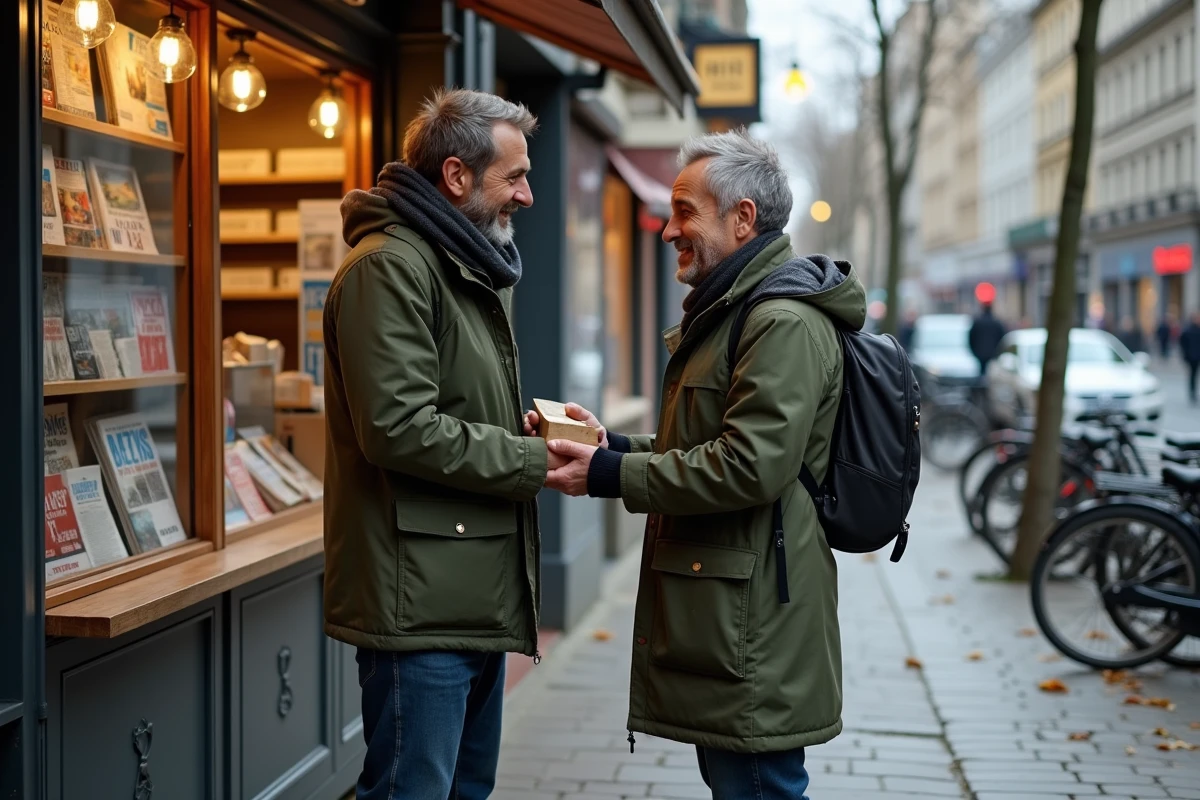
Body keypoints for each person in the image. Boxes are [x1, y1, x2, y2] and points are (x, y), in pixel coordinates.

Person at [528, 129, 853, 799]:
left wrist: (611, 476)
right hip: (732, 613)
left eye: (685, 211)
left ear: (742, 218)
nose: (668, 229)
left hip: (754, 621)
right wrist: (609, 447)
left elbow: (748, 466)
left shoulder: (780, 322)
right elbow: (705, 445)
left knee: (759, 785)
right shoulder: (736, 312)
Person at [322, 88, 574, 800]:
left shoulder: (457, 262)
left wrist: (537, 431)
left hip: (465, 590)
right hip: (420, 602)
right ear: (457, 176)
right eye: (514, 177)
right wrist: (534, 463)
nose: (527, 194)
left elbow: (448, 411)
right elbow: (398, 429)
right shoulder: (391, 268)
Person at [968, 301, 1005, 375]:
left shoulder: (977, 322)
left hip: (980, 353)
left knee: (982, 374)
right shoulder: (996, 322)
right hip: (993, 354)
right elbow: (1002, 338)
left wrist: (975, 352)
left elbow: (971, 338)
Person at [1179, 312, 1200, 404]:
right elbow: (1183, 343)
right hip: (1192, 357)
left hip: (1197, 356)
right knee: (1192, 375)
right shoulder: (1188, 330)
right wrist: (1186, 354)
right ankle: (1192, 393)